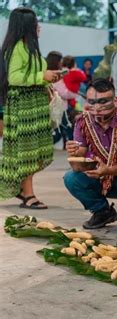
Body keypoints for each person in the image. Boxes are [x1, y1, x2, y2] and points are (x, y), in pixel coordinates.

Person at [0, 8, 60, 208]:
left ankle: (21, 189)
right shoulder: (17, 48)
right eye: (35, 23)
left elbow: (33, 75)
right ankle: (28, 194)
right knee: (27, 152)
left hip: (34, 106)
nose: (39, 26)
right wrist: (41, 77)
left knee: (36, 151)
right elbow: (14, 77)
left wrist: (48, 80)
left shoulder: (29, 48)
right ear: (27, 26)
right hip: (23, 109)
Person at [64, 78, 117, 229]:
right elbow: (79, 162)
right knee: (72, 178)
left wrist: (109, 170)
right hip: (101, 176)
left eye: (103, 101)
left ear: (116, 100)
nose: (97, 107)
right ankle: (102, 211)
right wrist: (75, 153)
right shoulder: (82, 122)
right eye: (92, 102)